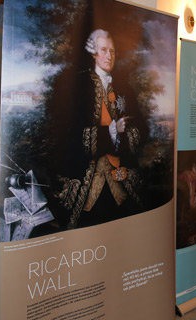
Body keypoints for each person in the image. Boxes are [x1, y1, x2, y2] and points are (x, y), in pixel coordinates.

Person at [54, 29, 142, 229]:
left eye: (112, 51)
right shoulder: (75, 87)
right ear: (94, 53)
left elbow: (141, 129)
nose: (109, 56)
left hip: (120, 181)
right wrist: (112, 131)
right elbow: (66, 134)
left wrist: (125, 133)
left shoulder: (125, 88)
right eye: (103, 50)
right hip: (86, 185)